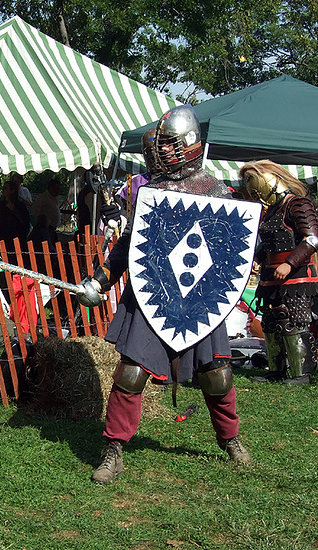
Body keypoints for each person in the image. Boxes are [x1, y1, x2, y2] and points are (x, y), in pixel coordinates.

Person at [76, 104, 251, 485]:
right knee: (131, 372)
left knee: (217, 374)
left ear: (189, 145)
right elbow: (130, 244)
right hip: (153, 291)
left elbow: (229, 250)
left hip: (200, 295)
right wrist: (103, 277)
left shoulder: (218, 192)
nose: (161, 152)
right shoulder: (150, 192)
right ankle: (113, 449)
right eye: (162, 145)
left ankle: (231, 439)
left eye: (170, 145)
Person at [240, 160, 318, 385]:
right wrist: (258, 258)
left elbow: (312, 238)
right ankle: (276, 371)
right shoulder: (272, 210)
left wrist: (290, 263)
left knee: (292, 321)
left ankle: (300, 374)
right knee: (271, 323)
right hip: (271, 275)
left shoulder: (298, 203)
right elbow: (271, 241)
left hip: (296, 276)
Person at [0, 177, 30, 261]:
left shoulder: (20, 206)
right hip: (1, 237)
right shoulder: (0, 204)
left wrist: (13, 211)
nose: (3, 190)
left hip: (16, 239)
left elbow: (25, 223)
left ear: (12, 190)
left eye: (5, 188)